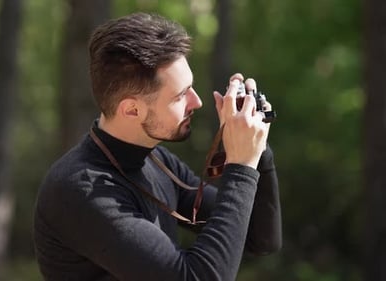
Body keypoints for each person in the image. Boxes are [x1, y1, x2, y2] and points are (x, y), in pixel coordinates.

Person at [33, 12, 282, 281]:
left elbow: (261, 238)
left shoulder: (157, 161)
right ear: (131, 110)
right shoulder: (81, 190)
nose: (196, 102)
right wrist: (241, 165)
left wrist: (258, 147)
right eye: (180, 96)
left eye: (191, 87)